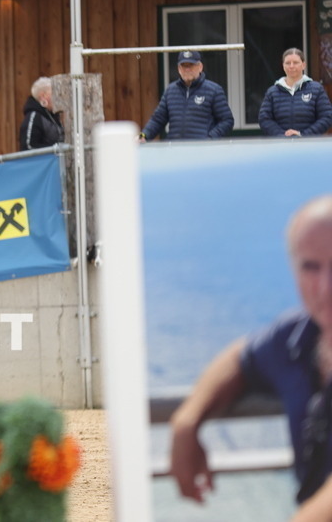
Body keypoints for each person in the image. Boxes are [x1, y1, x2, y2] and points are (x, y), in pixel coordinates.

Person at [169, 195, 332, 512]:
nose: (325, 286)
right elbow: (241, 357)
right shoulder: (299, 338)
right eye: (311, 267)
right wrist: (186, 423)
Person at [140, 50, 234, 141]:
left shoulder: (214, 90)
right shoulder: (170, 91)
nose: (187, 69)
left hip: (203, 152)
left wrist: (210, 138)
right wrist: (144, 135)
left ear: (200, 67)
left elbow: (227, 121)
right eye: (184, 66)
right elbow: (157, 120)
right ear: (179, 69)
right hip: (175, 150)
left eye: (191, 65)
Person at [258, 48, 332, 138]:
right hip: (280, 146)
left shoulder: (316, 89)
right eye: (288, 63)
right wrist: (282, 136)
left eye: (295, 62)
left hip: (310, 145)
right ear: (283, 65)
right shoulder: (272, 92)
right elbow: (264, 119)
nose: (291, 66)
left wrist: (303, 135)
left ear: (303, 65)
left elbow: (327, 116)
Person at [18, 77, 63, 150]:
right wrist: (55, 149)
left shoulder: (54, 116)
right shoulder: (34, 116)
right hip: (43, 160)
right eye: (54, 93)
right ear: (43, 96)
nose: (58, 97)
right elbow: (28, 146)